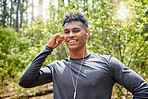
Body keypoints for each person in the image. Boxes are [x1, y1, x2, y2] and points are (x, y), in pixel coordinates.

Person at [19, 12, 148, 99]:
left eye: (76, 30)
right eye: (67, 32)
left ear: (87, 33)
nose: (71, 35)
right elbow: (25, 81)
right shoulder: (56, 67)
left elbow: (143, 89)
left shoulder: (108, 63)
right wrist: (47, 49)